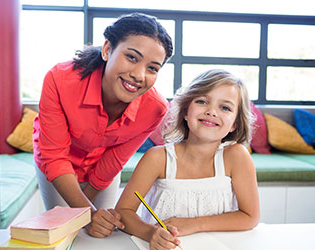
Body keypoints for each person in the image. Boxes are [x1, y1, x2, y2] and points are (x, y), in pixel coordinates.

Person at [32, 13, 173, 238]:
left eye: (152, 68)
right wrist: (86, 212)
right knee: (68, 235)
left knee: (101, 233)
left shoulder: (155, 108)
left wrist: (91, 212)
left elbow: (116, 158)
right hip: (57, 164)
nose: (139, 75)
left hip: (101, 169)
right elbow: (55, 156)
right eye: (132, 57)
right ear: (107, 49)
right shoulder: (59, 79)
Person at [115, 69, 260, 250]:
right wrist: (151, 233)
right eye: (202, 101)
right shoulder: (157, 158)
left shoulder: (237, 156)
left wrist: (194, 224)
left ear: (235, 124)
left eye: (225, 107)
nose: (211, 111)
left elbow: (250, 217)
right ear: (185, 111)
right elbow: (123, 212)